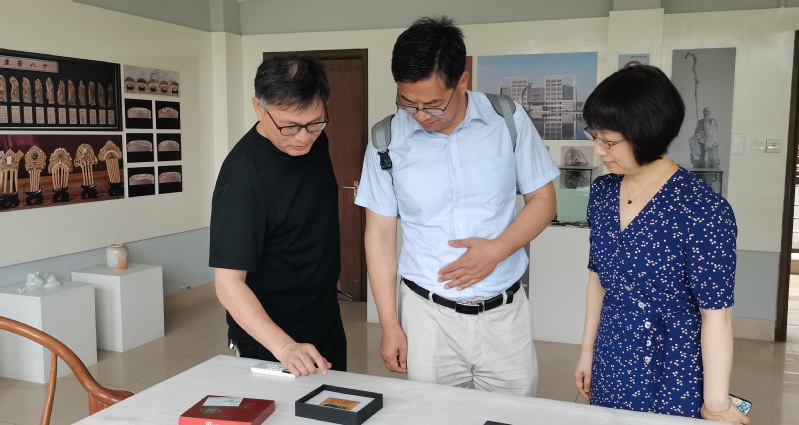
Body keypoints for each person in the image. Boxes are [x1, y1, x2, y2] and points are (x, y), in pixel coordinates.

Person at [355, 16, 558, 396]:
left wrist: (498, 249)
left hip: (505, 313)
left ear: (462, 81)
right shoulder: (386, 140)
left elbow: (543, 200)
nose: (420, 116)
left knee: (512, 415)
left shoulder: (507, 120)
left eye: (433, 105)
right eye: (407, 103)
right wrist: (389, 324)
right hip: (426, 315)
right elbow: (379, 235)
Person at [573, 65, 748, 424]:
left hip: (671, 364)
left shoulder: (702, 209)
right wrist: (587, 352)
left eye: (609, 141)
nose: (598, 150)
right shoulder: (603, 193)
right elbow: (597, 280)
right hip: (612, 352)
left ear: (647, 134)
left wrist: (716, 402)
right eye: (595, 136)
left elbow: (717, 314)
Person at [209, 55, 345, 376]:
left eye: (314, 122)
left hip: (325, 317)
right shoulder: (242, 181)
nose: (303, 137)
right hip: (272, 338)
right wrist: (284, 346)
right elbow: (228, 284)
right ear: (259, 108)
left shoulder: (313, 139)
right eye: (290, 126)